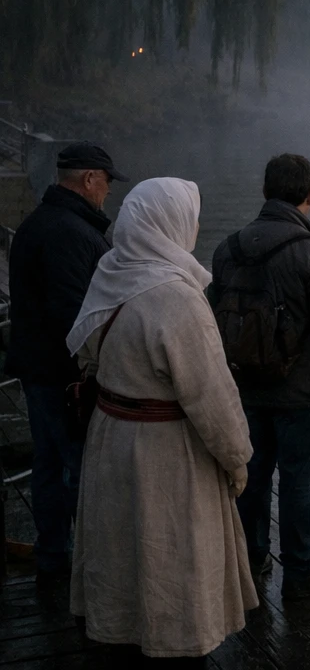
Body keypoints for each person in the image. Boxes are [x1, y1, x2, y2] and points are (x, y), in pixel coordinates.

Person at [67, 177, 256, 667]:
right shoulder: (177, 298)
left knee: (123, 559)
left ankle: (124, 636)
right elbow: (212, 398)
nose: (193, 226)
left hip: (111, 440)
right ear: (170, 224)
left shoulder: (110, 272)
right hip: (167, 455)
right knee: (170, 564)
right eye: (189, 218)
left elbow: (87, 355)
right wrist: (238, 461)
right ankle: (172, 645)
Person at [208, 153, 310, 600]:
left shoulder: (227, 249)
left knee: (251, 475)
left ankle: (253, 560)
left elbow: (213, 317)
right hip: (300, 393)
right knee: (299, 481)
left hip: (244, 388)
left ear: (264, 191)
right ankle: (302, 572)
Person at [4, 140, 128, 581]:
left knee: (48, 465)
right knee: (79, 467)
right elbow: (76, 314)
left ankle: (54, 555)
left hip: (35, 367)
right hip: (64, 374)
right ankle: (84, 565)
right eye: (107, 182)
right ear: (89, 178)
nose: (108, 192)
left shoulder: (39, 222)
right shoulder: (72, 234)